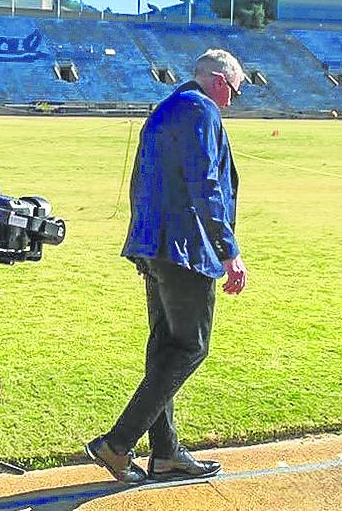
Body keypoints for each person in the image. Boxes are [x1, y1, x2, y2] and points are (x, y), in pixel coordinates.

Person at [85, 49, 248, 484]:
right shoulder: (202, 110)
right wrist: (228, 249)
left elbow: (142, 181)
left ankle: (166, 453)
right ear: (219, 81)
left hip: (154, 246)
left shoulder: (163, 110)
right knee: (191, 346)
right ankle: (117, 444)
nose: (232, 101)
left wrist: (143, 241)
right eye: (234, 91)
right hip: (185, 249)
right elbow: (206, 183)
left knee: (164, 350)